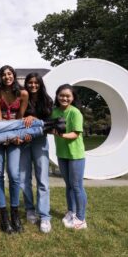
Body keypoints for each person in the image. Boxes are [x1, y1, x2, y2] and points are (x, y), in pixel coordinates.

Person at [0, 65, 29, 234]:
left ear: (14, 76)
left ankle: (15, 214)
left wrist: (17, 135)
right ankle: (3, 215)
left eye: (9, 74)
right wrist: (2, 135)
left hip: (15, 137)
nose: (7, 77)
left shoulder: (23, 94)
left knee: (14, 175)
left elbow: (20, 118)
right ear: (1, 77)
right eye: (4, 74)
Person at [20, 73, 53, 233]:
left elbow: (49, 123)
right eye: (30, 82)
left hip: (40, 141)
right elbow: (17, 119)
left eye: (35, 83)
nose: (33, 85)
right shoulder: (21, 98)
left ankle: (45, 216)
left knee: (42, 179)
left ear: (40, 84)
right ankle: (29, 209)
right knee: (23, 179)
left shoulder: (47, 100)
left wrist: (34, 118)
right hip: (25, 141)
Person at [52, 84, 88, 230]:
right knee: (69, 186)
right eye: (61, 95)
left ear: (73, 98)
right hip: (62, 153)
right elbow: (51, 127)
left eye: (68, 96)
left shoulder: (75, 113)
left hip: (75, 155)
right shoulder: (55, 111)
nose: (64, 98)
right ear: (57, 96)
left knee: (77, 186)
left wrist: (60, 135)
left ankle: (81, 218)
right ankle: (71, 212)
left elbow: (75, 133)